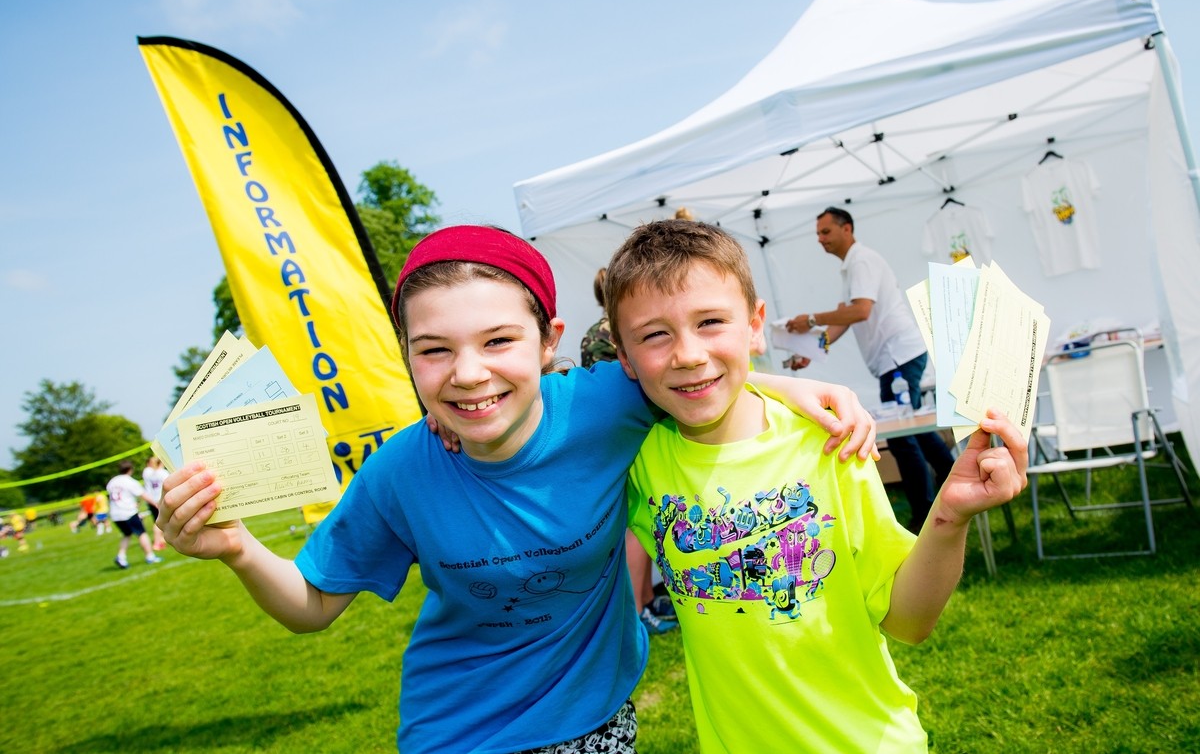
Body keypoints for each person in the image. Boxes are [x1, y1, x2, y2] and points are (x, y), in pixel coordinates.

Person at [158, 224, 879, 754]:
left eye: (497, 341)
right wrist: (237, 548)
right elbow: (313, 604)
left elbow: (694, 372)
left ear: (548, 341)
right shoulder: (400, 471)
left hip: (596, 721)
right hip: (458, 734)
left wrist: (793, 384)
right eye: (434, 350)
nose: (468, 373)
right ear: (407, 359)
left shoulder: (605, 403)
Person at [607, 218, 1027, 753]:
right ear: (624, 355)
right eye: (655, 335)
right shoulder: (639, 460)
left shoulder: (828, 442)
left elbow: (909, 620)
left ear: (755, 325)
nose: (688, 353)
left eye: (711, 321)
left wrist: (948, 518)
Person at [786, 206, 956, 530]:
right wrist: (813, 351)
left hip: (898, 357)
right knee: (916, 431)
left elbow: (860, 311)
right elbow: (846, 318)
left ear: (846, 229)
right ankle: (954, 487)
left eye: (825, 232)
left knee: (904, 438)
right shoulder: (851, 267)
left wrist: (809, 320)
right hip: (897, 358)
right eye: (818, 234)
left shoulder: (861, 260)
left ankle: (925, 517)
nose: (820, 240)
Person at [581, 266, 677, 635]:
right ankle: (640, 609)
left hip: (621, 433)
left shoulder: (599, 331)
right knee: (635, 528)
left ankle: (645, 602)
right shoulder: (615, 332)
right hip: (633, 434)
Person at [106, 460, 162, 569]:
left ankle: (121, 556)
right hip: (128, 512)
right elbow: (143, 494)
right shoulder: (129, 481)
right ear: (130, 470)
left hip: (115, 514)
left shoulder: (112, 481)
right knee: (142, 533)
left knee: (127, 534)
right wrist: (155, 504)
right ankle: (150, 556)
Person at [142, 456, 169, 551]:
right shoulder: (163, 473)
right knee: (160, 522)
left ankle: (161, 540)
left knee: (157, 521)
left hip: (151, 500)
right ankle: (157, 543)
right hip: (160, 499)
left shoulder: (149, 474)